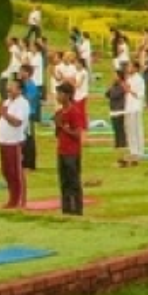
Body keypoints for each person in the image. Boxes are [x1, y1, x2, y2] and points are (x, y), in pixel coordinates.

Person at [0, 75, 30, 209]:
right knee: (6, 171)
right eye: (9, 86)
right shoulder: (7, 101)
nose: (9, 88)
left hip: (14, 141)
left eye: (12, 87)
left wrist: (5, 114)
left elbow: (17, 122)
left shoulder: (23, 103)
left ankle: (19, 200)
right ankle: (11, 198)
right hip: (3, 140)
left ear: (19, 90)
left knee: (15, 172)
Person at [54, 81, 87, 216]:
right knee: (63, 182)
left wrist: (63, 127)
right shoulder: (59, 112)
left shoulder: (74, 111)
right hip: (61, 151)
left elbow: (78, 133)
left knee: (74, 182)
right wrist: (58, 126)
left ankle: (77, 209)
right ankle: (66, 209)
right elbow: (57, 133)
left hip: (72, 153)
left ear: (68, 95)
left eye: (60, 93)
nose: (57, 96)